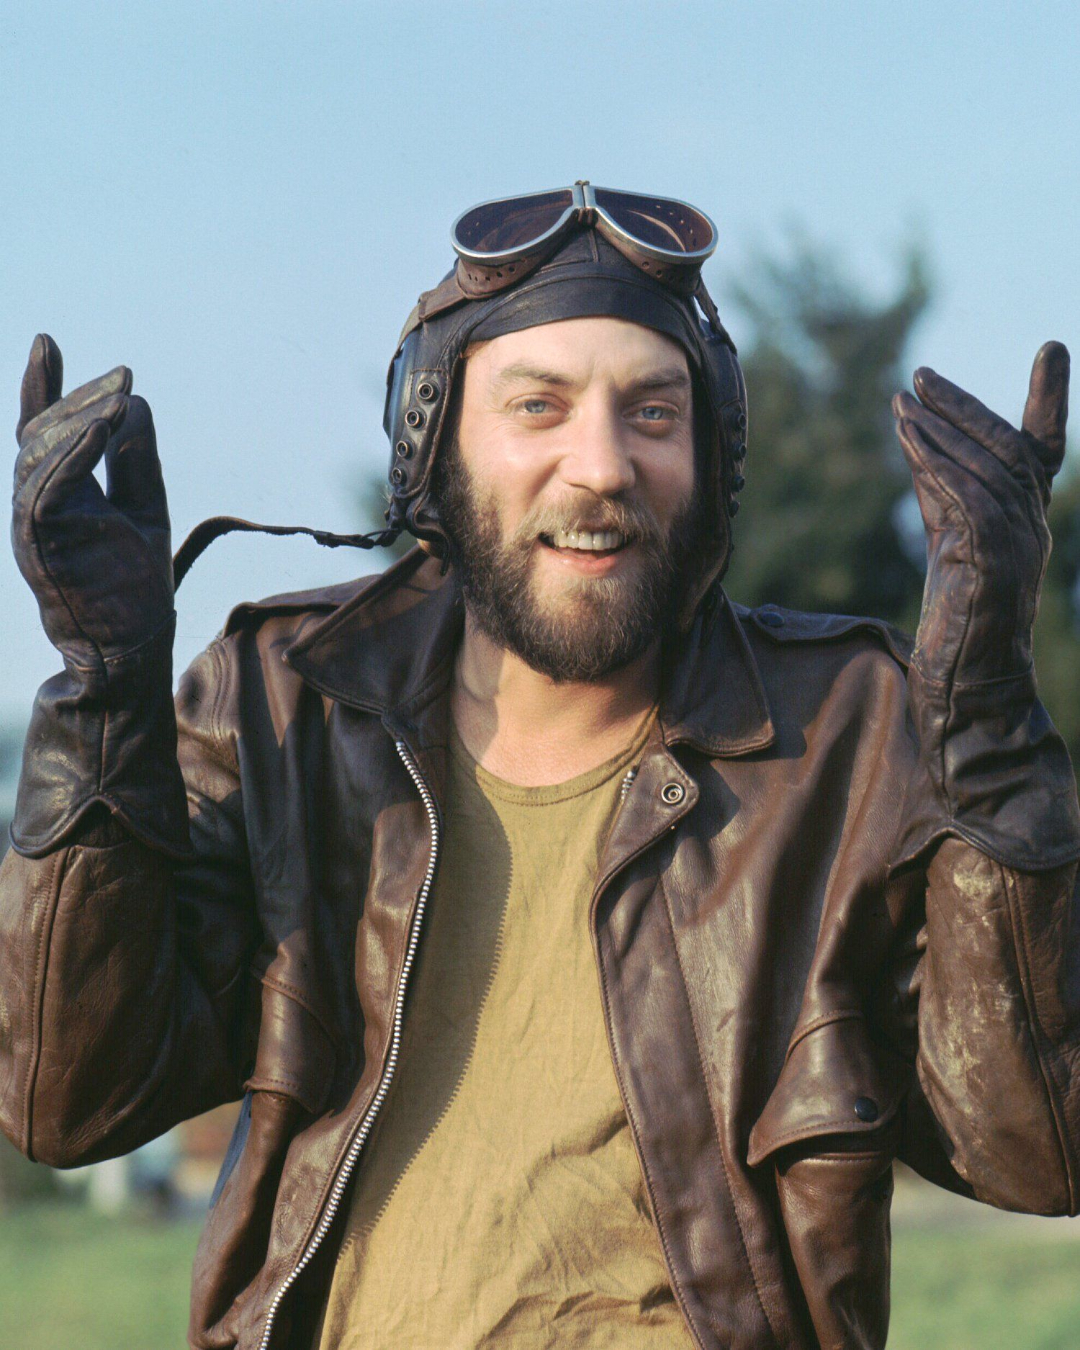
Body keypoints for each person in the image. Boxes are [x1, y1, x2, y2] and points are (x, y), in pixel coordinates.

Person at [1, 182, 1079, 1350]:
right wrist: (105, 695)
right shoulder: (284, 707)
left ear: (711, 458)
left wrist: (987, 737)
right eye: (539, 407)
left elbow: (1043, 1150)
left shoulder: (853, 735)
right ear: (433, 451)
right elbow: (68, 1101)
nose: (602, 465)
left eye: (653, 414)